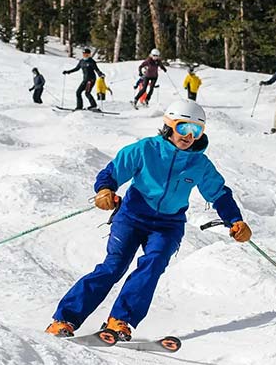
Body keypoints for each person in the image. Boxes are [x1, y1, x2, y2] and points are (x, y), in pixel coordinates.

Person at [45, 99, 253, 340]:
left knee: (153, 265)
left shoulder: (200, 164)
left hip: (168, 225)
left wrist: (235, 220)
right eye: (183, 127)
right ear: (169, 125)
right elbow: (112, 172)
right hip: (131, 217)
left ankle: (120, 320)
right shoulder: (145, 149)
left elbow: (219, 193)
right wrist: (105, 190)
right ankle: (64, 319)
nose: (189, 136)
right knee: (114, 266)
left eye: (196, 131)